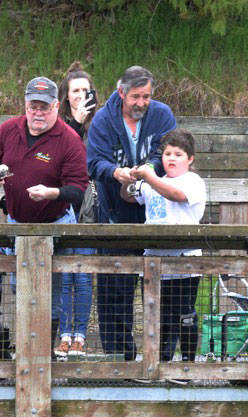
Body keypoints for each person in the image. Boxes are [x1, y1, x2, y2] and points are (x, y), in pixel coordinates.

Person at [0, 75, 89, 356]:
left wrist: (51, 193)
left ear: (56, 106)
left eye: (44, 107)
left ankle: (43, 351)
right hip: (17, 222)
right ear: (25, 105)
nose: (38, 113)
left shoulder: (69, 139)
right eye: (32, 106)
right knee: (20, 287)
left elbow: (78, 190)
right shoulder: (8, 129)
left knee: (51, 290)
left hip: (55, 223)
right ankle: (26, 347)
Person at [86, 65, 176, 361]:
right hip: (115, 214)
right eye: (136, 97)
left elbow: (168, 151)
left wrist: (149, 169)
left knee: (164, 290)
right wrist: (115, 172)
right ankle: (118, 357)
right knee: (114, 291)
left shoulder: (162, 115)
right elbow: (93, 163)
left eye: (147, 97)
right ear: (121, 92)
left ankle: (162, 358)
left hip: (156, 217)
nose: (141, 103)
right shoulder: (102, 120)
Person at [124, 129, 207, 363]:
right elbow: (129, 196)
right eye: (167, 153)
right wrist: (128, 178)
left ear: (190, 159)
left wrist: (149, 177)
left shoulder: (193, 181)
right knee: (157, 316)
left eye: (178, 154)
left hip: (184, 261)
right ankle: (158, 364)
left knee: (184, 315)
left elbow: (176, 195)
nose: (171, 158)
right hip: (153, 260)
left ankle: (188, 365)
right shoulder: (152, 182)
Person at [53, 62, 98, 358]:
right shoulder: (58, 126)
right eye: (75, 91)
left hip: (90, 204)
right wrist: (74, 125)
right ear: (66, 97)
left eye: (85, 90)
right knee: (63, 274)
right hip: (62, 203)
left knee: (83, 274)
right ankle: (63, 334)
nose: (81, 95)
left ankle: (79, 334)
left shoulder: (101, 124)